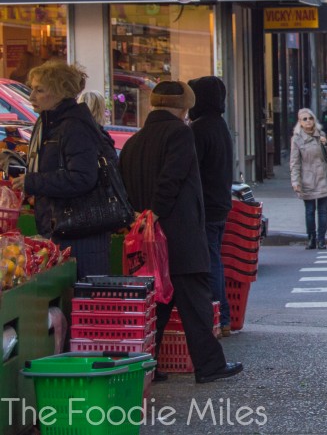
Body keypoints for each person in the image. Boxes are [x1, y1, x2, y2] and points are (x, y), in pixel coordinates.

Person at [119, 80, 243, 384]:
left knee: (157, 304)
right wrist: (156, 211)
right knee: (196, 303)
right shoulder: (180, 134)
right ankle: (209, 365)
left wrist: (141, 216)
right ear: (184, 105)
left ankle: (149, 366)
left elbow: (122, 185)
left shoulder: (134, 142)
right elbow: (172, 178)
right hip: (179, 234)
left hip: (145, 238)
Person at [15, 62, 117, 279]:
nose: (32, 96)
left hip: (80, 233)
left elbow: (82, 177)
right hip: (65, 229)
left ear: (60, 92)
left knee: (83, 303)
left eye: (39, 90)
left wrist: (33, 182)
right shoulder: (52, 124)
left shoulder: (73, 126)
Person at [188, 76, 233, 338]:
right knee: (214, 258)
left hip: (206, 205)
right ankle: (222, 317)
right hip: (219, 203)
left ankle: (220, 317)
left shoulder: (199, 129)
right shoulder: (219, 125)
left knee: (210, 260)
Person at [290, 108, 327, 250]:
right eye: (304, 119)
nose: (308, 121)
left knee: (323, 211)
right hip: (307, 179)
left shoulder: (321, 135)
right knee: (309, 211)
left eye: (310, 118)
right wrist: (295, 181)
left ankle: (321, 239)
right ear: (300, 123)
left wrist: (325, 144)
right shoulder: (297, 139)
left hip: (322, 177)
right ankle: (311, 238)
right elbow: (294, 162)